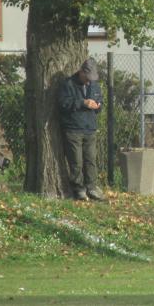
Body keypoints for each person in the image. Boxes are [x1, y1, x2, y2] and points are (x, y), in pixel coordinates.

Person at [58, 58, 105, 201]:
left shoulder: (95, 86)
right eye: (88, 77)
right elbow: (63, 103)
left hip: (90, 128)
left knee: (90, 160)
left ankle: (92, 187)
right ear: (81, 72)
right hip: (73, 129)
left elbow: (100, 102)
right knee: (76, 162)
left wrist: (98, 105)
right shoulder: (68, 84)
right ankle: (78, 189)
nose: (90, 81)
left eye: (92, 78)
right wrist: (83, 102)